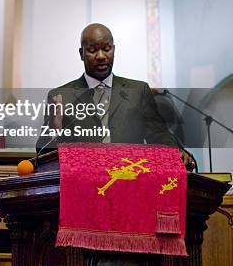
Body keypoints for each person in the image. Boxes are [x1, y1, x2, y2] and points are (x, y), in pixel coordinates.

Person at [36, 23, 195, 169]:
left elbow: (159, 134)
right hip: (82, 182)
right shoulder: (61, 96)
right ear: (81, 53)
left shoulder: (138, 90)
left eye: (106, 48)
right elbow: (42, 154)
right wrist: (53, 128)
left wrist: (176, 151)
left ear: (113, 49)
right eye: (92, 50)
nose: (101, 56)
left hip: (129, 177)